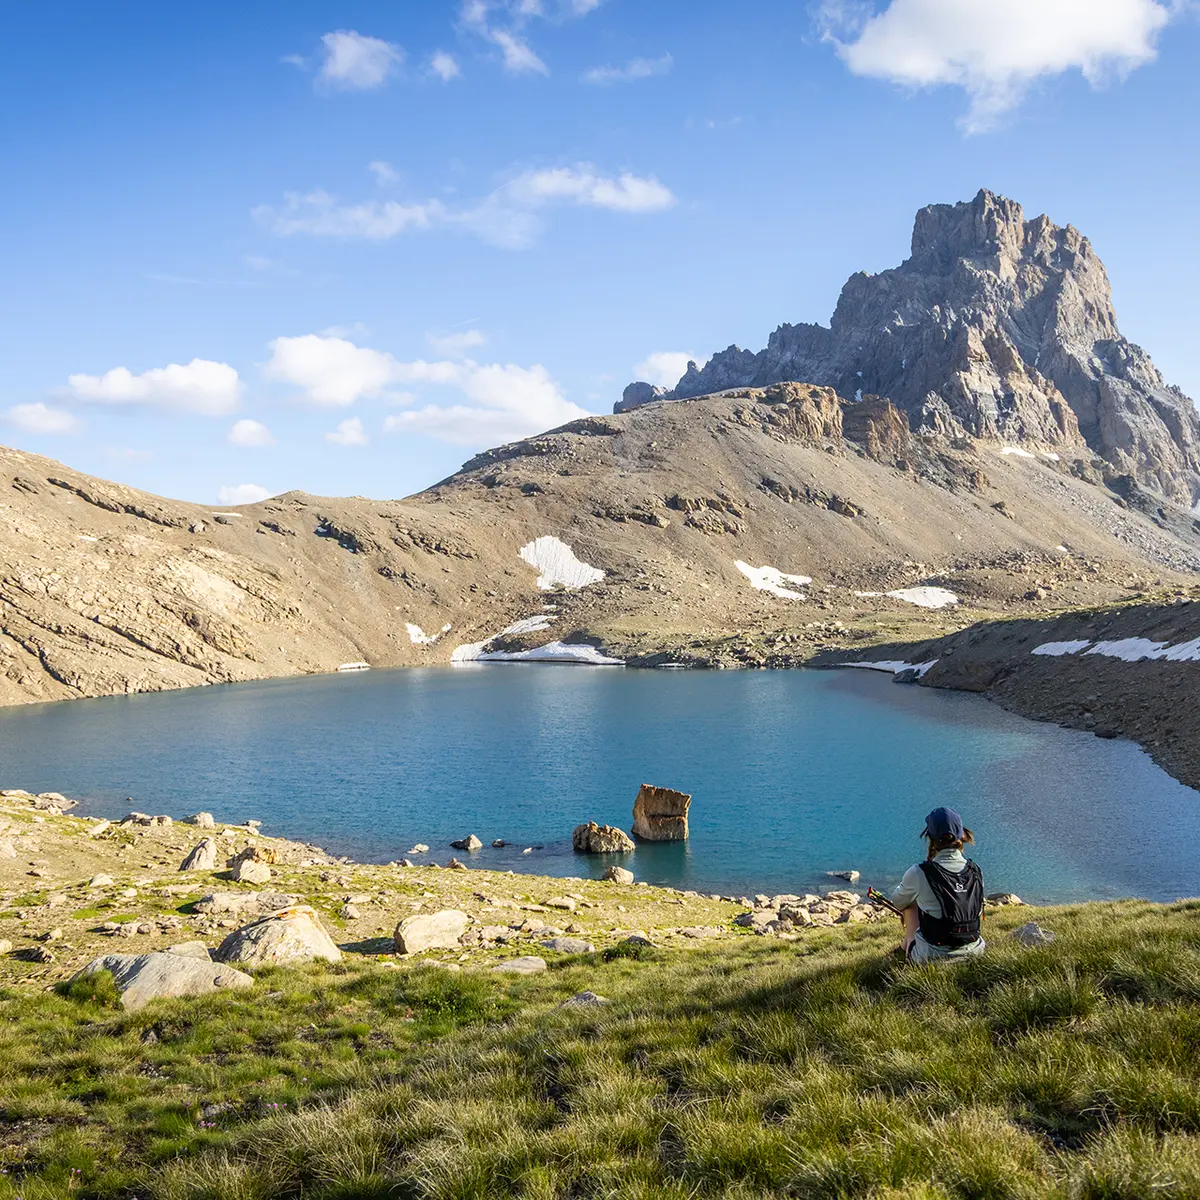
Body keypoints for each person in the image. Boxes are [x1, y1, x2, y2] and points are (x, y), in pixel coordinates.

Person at [891, 806, 986, 964]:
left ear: (929, 837)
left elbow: (898, 901)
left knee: (909, 904)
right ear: (962, 835)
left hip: (932, 957)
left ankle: (905, 948)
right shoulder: (975, 870)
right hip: (975, 952)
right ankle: (903, 948)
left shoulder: (919, 872)